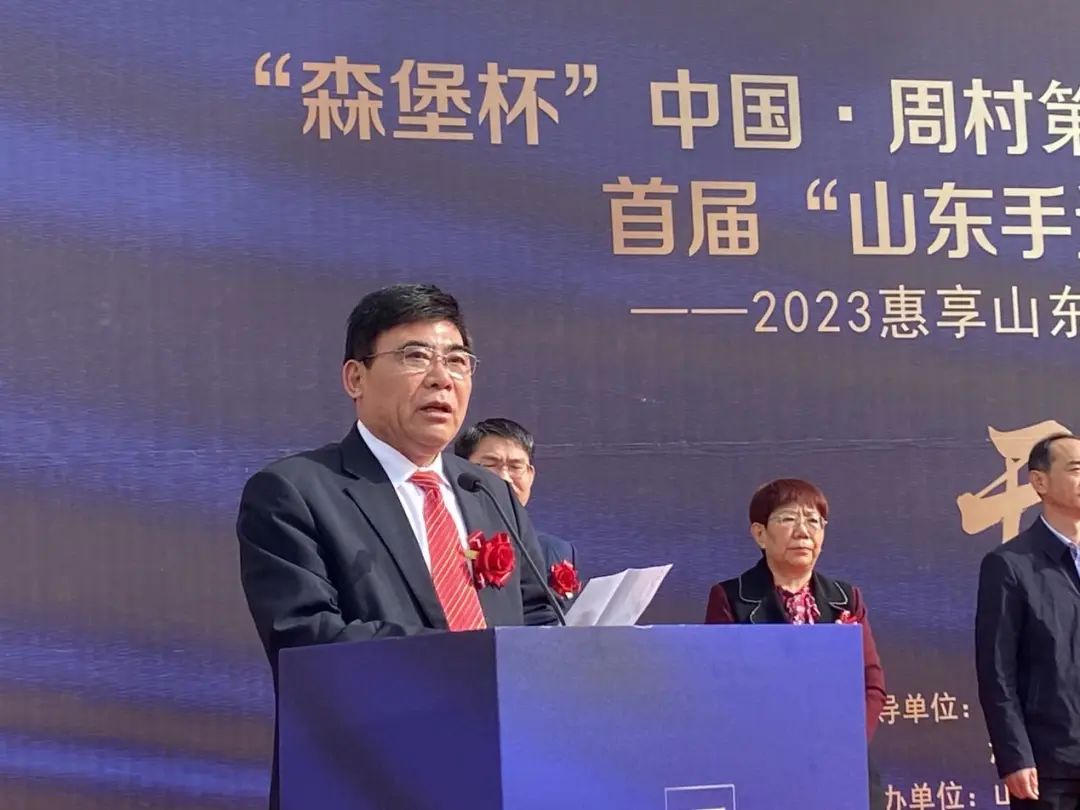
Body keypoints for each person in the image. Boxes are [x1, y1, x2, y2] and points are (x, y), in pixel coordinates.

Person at [237, 283, 556, 807]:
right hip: (368, 780)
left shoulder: (487, 491)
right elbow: (308, 639)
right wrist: (473, 662)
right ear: (355, 378)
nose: (441, 378)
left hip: (501, 773)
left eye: (458, 361)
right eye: (415, 356)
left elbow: (537, 612)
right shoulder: (295, 491)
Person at [704, 478, 886, 810]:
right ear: (760, 534)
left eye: (813, 521)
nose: (803, 531)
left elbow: (871, 684)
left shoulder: (846, 598)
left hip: (842, 766)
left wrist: (844, 743)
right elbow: (722, 687)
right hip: (764, 767)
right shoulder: (732, 597)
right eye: (788, 519)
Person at [977, 432, 1080, 809]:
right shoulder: (1010, 565)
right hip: (1050, 767)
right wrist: (1014, 756)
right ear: (1039, 481)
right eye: (1077, 469)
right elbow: (996, 671)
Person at [453, 418, 579, 583]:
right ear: (459, 470)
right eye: (489, 465)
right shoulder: (443, 543)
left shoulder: (556, 552)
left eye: (515, 467)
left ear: (530, 476)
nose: (505, 478)